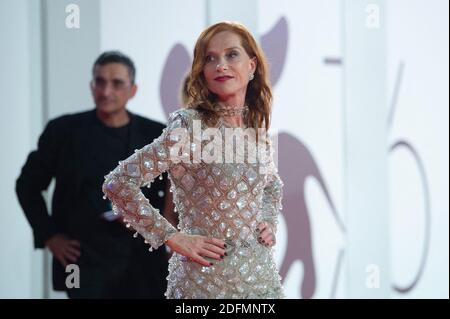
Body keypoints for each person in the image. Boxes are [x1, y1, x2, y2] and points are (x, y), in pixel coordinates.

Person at [102, 22, 284, 298]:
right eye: (210, 58)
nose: (220, 65)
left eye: (231, 55)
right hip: (203, 283)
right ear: (202, 70)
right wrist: (172, 237)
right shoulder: (189, 126)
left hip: (260, 280)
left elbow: (272, 186)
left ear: (252, 65)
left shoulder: (254, 127)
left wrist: (268, 220)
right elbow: (119, 183)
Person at [16, 51, 174, 298]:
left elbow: (176, 190)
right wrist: (49, 236)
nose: (106, 91)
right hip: (83, 259)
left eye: (117, 83)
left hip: (142, 260)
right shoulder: (63, 132)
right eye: (99, 82)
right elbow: (27, 185)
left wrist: (168, 235)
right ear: (91, 86)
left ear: (133, 90)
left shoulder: (156, 134)